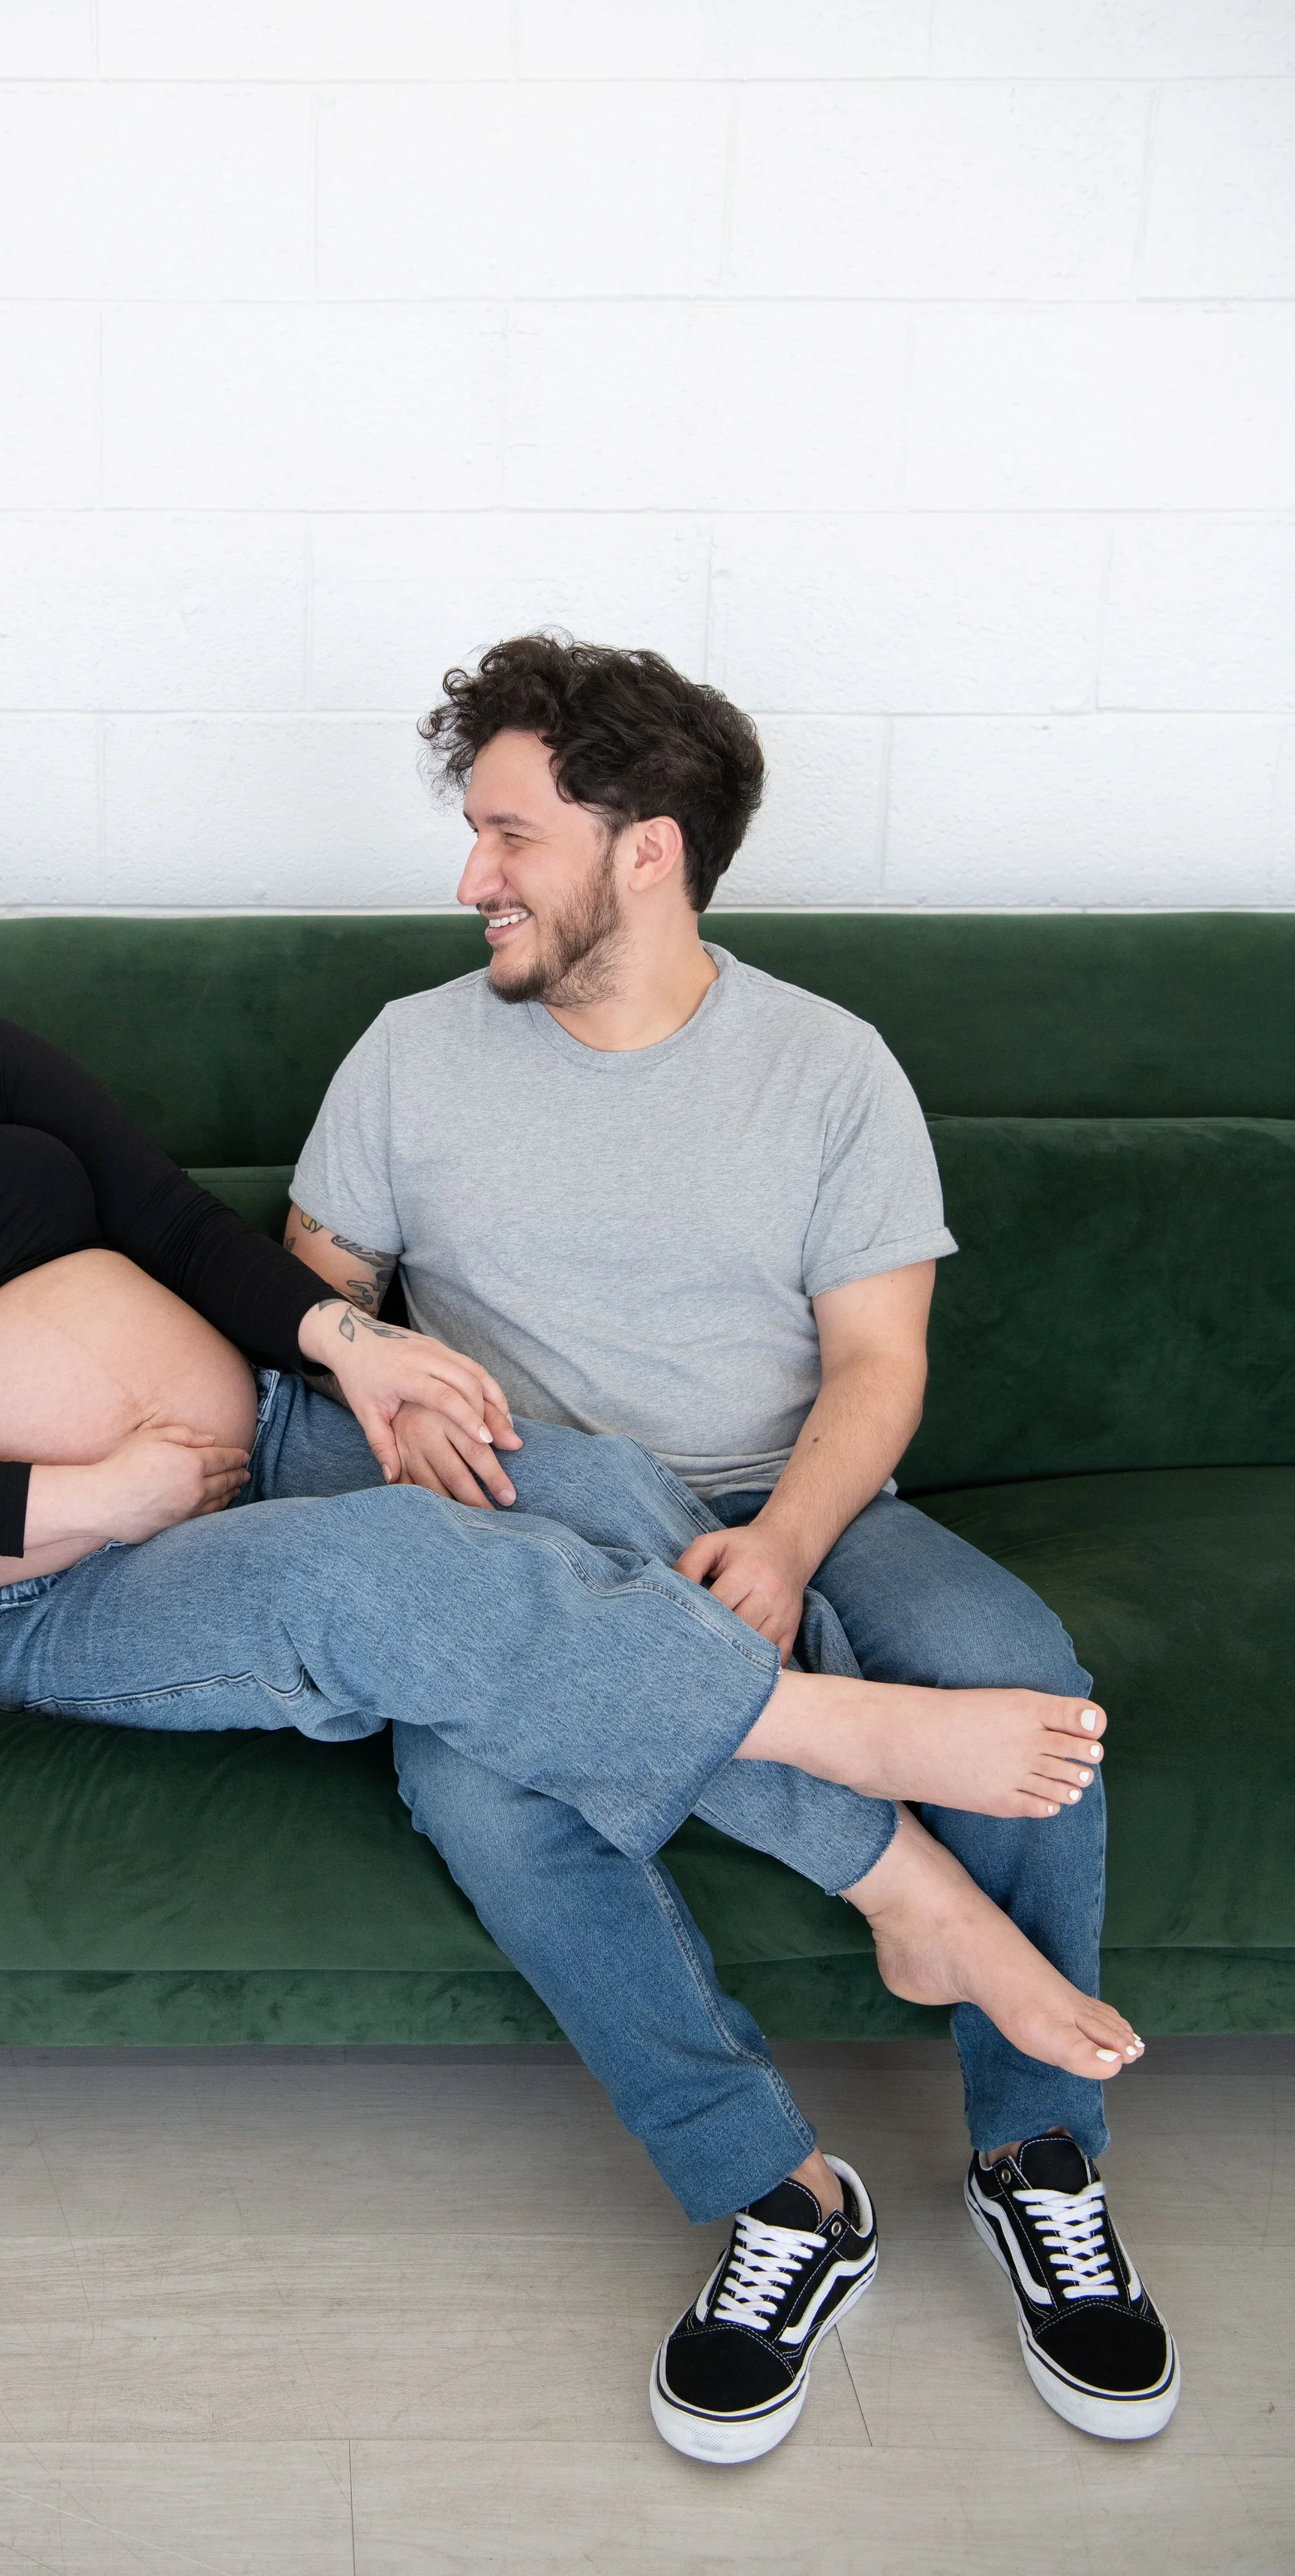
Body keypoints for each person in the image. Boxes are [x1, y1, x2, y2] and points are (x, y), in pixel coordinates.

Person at [0, 886, 1142, 2460]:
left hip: (272, 1441)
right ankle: (881, 1858)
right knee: (385, 1576)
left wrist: (355, 1352)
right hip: (44, 1589)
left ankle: (879, 1966)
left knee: (589, 1491)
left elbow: (167, 1227)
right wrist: (83, 1497)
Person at [285, 633, 1179, 2458]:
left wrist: (779, 1543)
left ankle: (1036, 2155)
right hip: (532, 1539)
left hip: (807, 1502)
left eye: (509, 836)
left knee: (1025, 1695)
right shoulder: (408, 1056)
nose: (471, 881)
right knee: (476, 1790)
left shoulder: (827, 1068)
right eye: (472, 835)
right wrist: (375, 1364)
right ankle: (780, 2197)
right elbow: (297, 1307)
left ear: (647, 848)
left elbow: (877, 1365)